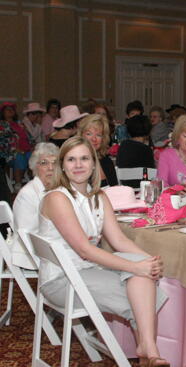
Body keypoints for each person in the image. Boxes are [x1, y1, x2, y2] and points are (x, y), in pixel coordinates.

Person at [38, 136, 170, 366]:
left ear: (93, 164)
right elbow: (84, 250)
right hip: (62, 280)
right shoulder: (57, 198)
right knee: (140, 299)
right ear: (62, 165)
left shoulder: (99, 196)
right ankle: (149, 352)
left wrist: (148, 261)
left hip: (89, 269)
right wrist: (135, 266)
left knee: (142, 276)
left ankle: (147, 349)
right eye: (71, 159)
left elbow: (118, 240)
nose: (78, 165)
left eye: (84, 158)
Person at [12, 143, 59, 268]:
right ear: (34, 167)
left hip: (52, 247)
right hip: (32, 253)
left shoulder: (58, 190)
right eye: (44, 163)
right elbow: (27, 234)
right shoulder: (27, 194)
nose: (50, 167)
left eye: (54, 163)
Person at [78, 114, 118, 188]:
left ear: (103, 139)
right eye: (89, 134)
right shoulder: (76, 164)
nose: (94, 139)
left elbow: (114, 191)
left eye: (98, 135)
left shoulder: (106, 162)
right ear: (81, 136)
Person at [1, 102, 33, 192]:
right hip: (10, 153)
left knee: (35, 156)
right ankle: (18, 184)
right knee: (19, 156)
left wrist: (32, 146)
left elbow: (29, 137)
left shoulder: (20, 123)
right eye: (7, 109)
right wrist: (15, 149)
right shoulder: (2, 125)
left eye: (12, 109)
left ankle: (35, 182)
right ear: (3, 112)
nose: (10, 110)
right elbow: (3, 142)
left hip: (26, 150)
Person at [117, 115, 155, 188]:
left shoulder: (123, 146)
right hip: (142, 188)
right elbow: (151, 175)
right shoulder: (147, 150)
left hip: (125, 188)